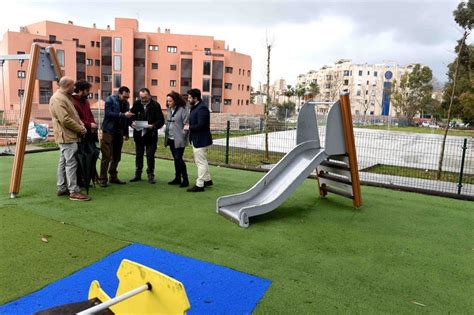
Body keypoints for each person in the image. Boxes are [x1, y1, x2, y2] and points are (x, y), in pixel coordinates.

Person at [49, 76, 90, 201]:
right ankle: (74, 191)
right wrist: (80, 128)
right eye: (73, 86)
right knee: (71, 163)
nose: (75, 88)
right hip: (67, 135)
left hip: (67, 135)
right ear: (67, 86)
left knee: (64, 162)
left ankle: (62, 188)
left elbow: (71, 115)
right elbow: (65, 119)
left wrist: (80, 125)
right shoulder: (58, 99)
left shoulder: (64, 97)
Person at [99, 86, 133, 186]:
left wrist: (126, 133)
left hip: (119, 131)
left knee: (117, 156)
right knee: (106, 155)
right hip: (108, 131)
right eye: (125, 96)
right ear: (119, 94)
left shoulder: (126, 103)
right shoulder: (110, 99)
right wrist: (122, 115)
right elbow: (108, 113)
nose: (126, 99)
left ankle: (113, 176)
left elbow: (126, 119)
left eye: (128, 97)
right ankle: (102, 179)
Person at [129, 88, 164, 184]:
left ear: (149, 95)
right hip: (138, 134)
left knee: (150, 155)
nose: (143, 99)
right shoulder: (136, 104)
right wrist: (131, 123)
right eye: (141, 97)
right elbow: (131, 116)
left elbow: (161, 121)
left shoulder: (156, 105)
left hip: (151, 135)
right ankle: (138, 174)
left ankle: (150, 174)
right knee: (139, 155)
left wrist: (153, 126)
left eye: (144, 97)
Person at [72, 80, 99, 187]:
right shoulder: (72, 102)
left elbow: (90, 114)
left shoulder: (86, 101)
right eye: (87, 90)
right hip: (79, 135)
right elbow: (76, 119)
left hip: (89, 135)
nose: (89, 93)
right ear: (81, 90)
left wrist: (93, 123)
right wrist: (89, 125)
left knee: (90, 156)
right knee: (79, 159)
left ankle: (86, 178)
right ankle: (79, 181)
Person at [185, 89, 213, 192]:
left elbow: (202, 125)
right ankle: (207, 180)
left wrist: (189, 127)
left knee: (200, 162)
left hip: (201, 140)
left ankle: (200, 184)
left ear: (195, 98)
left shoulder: (202, 108)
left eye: (189, 98)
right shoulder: (196, 107)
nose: (188, 100)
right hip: (198, 139)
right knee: (202, 161)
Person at [164, 91, 189, 187]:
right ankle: (177, 178)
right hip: (170, 138)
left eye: (170, 101)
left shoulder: (183, 109)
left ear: (176, 100)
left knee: (179, 158)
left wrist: (183, 135)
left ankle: (185, 179)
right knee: (175, 158)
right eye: (167, 101)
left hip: (179, 139)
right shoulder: (169, 109)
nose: (168, 103)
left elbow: (186, 123)